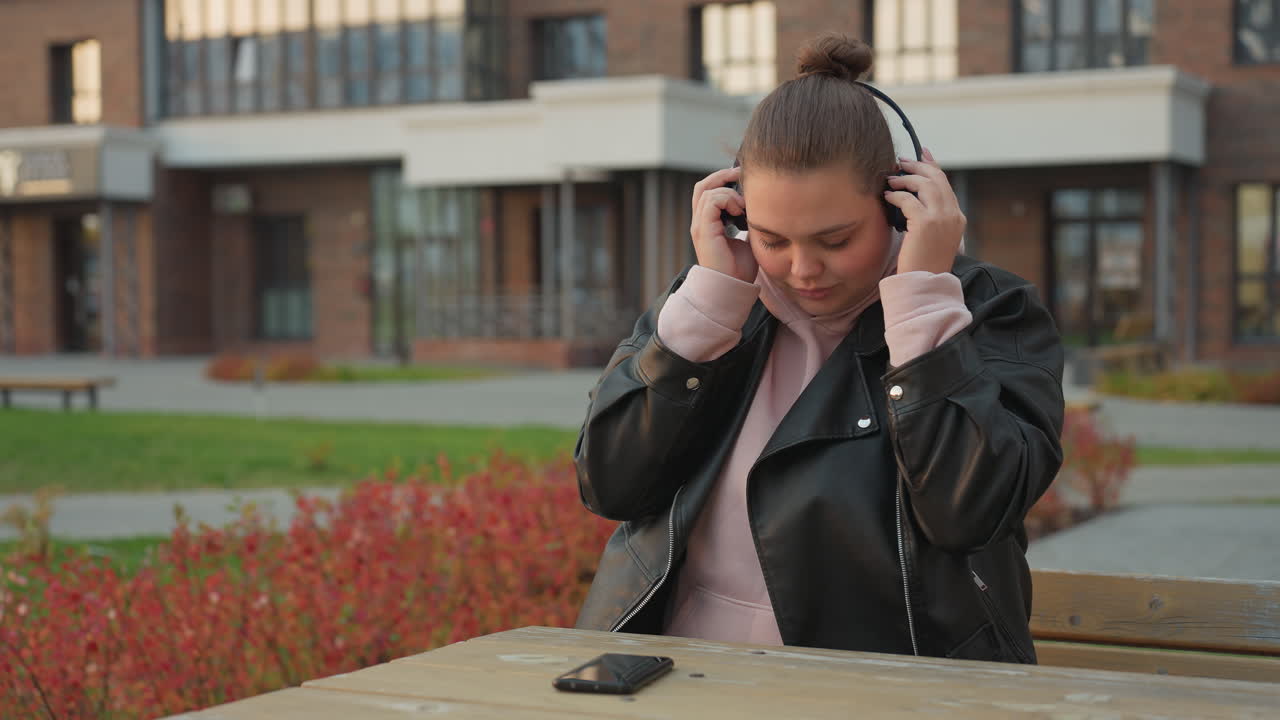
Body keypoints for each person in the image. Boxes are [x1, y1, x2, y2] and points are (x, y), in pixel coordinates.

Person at [572, 32, 1065, 663]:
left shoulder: (992, 310)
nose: (803, 269)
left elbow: (970, 512)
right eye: (773, 239)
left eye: (835, 239)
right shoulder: (714, 301)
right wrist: (708, 311)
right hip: (676, 677)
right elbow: (609, 486)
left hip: (882, 690)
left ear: (901, 204)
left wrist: (918, 303)